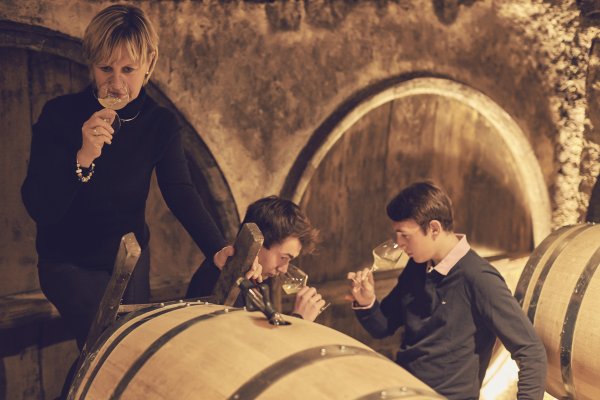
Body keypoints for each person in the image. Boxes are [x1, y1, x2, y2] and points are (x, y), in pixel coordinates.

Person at [20, 4, 251, 352]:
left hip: (128, 259)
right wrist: (83, 157)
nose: (115, 82)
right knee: (107, 346)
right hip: (67, 263)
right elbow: (40, 207)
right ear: (91, 63)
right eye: (105, 68)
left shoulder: (161, 124)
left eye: (128, 69)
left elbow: (181, 192)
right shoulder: (60, 115)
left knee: (135, 346)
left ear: (150, 65)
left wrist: (218, 248)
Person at [347, 181, 547, 400]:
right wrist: (366, 302)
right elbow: (383, 327)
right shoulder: (418, 266)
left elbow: (530, 350)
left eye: (404, 235)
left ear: (434, 228)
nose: (399, 243)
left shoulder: (479, 278)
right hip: (403, 388)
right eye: (396, 235)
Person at [187, 195, 326, 322]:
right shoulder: (222, 279)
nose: (284, 269)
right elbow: (245, 345)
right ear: (258, 242)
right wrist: (299, 319)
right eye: (283, 257)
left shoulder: (254, 280)